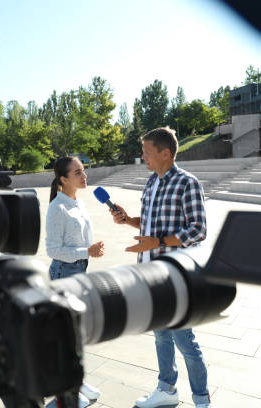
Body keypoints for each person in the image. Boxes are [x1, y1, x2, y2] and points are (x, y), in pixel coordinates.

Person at [109, 127, 211, 408]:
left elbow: (198, 229)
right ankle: (167, 389)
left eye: (147, 152)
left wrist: (158, 242)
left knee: (184, 339)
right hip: (149, 274)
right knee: (161, 335)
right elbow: (151, 224)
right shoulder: (151, 183)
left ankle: (202, 400)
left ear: (165, 153)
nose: (143, 157)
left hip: (175, 275)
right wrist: (128, 220)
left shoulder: (187, 183)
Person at [45, 156, 103, 408]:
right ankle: (65, 390)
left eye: (83, 171)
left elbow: (79, 242)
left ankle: (75, 382)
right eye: (77, 172)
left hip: (79, 272)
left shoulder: (76, 202)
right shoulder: (57, 208)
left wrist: (89, 252)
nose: (84, 175)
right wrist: (86, 252)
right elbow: (53, 250)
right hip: (64, 274)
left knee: (76, 335)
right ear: (63, 179)